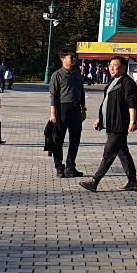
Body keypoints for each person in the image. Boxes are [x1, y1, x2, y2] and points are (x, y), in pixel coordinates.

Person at [80, 57, 137, 192]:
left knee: (109, 152)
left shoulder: (127, 82)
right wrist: (100, 118)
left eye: (115, 65)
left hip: (120, 123)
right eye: (110, 65)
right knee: (122, 152)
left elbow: (132, 103)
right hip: (111, 122)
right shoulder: (113, 82)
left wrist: (133, 121)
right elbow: (107, 102)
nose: (112, 68)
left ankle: (95, 180)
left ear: (123, 68)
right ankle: (133, 181)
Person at [48, 49, 87, 178]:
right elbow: (53, 95)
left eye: (74, 57)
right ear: (63, 59)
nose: (73, 59)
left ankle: (71, 166)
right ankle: (59, 166)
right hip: (62, 109)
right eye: (71, 57)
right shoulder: (57, 75)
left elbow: (81, 92)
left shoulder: (77, 74)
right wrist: (53, 113)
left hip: (75, 109)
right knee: (58, 139)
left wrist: (83, 109)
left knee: (75, 139)